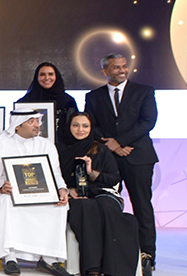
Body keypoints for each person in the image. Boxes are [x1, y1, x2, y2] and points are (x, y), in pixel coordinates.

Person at [84, 53, 158, 274]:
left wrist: (120, 142)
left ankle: (147, 256)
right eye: (116, 67)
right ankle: (110, 257)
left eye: (124, 66)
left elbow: (148, 121)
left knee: (142, 206)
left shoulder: (144, 91)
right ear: (105, 71)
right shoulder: (93, 96)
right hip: (108, 159)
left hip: (138, 157)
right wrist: (112, 146)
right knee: (105, 205)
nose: (122, 70)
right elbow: (90, 125)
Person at [0, 110, 70, 276]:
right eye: (31, 122)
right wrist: (1, 187)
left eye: (38, 121)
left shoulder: (46, 145)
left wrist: (62, 189)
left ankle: (49, 258)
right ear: (17, 125)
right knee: (5, 202)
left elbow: (55, 172)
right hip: (8, 193)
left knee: (59, 204)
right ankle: (10, 257)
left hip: (39, 192)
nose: (37, 125)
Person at [57, 112, 138, 276]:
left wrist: (91, 172)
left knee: (105, 207)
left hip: (102, 192)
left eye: (85, 126)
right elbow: (54, 176)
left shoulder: (100, 149)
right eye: (75, 125)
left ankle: (112, 268)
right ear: (68, 127)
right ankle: (92, 268)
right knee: (86, 207)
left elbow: (114, 178)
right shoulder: (59, 149)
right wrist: (67, 189)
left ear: (91, 128)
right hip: (75, 197)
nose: (80, 130)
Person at [16, 63, 78, 138]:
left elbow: (75, 125)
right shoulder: (25, 101)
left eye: (50, 74)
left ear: (56, 76)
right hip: (31, 143)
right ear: (37, 77)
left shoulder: (68, 101)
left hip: (64, 143)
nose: (47, 78)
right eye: (42, 74)